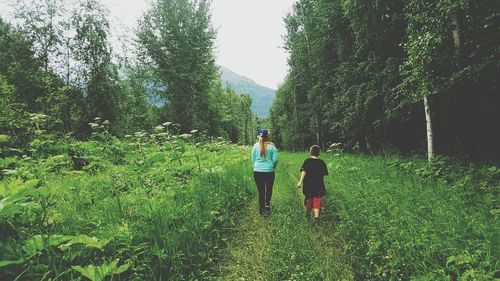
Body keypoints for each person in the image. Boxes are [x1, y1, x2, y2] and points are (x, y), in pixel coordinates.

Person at [297, 145, 328, 223]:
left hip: (308, 185)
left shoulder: (307, 161)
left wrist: (300, 182)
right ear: (319, 153)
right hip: (319, 186)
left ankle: (308, 214)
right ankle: (317, 218)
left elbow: (304, 172)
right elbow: (324, 175)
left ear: (310, 152)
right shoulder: (322, 162)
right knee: (317, 201)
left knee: (309, 199)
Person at [251, 129, 278, 216]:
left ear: (259, 136)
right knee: (269, 189)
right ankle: (267, 205)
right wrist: (272, 167)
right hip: (269, 171)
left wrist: (256, 167)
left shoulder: (255, 146)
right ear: (267, 136)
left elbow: (253, 159)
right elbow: (275, 160)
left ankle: (261, 209)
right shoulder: (272, 146)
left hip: (257, 171)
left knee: (261, 191)